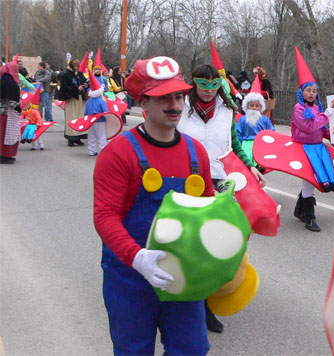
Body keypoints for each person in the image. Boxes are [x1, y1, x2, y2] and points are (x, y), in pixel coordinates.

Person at [94, 56, 213, 355]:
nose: (174, 105)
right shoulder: (118, 153)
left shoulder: (196, 152)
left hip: (183, 277)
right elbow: (105, 217)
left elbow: (209, 211)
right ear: (143, 104)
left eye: (178, 96)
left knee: (192, 349)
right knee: (133, 351)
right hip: (130, 276)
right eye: (163, 98)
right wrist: (138, 258)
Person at [176, 63, 266, 333]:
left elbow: (233, 144)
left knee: (217, 242)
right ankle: (185, 302)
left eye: (213, 85)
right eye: (202, 85)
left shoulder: (227, 110)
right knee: (188, 243)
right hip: (185, 180)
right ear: (194, 84)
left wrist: (250, 165)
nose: (208, 91)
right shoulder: (180, 107)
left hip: (217, 181)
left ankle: (207, 305)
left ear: (220, 85)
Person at [292, 47, 334, 233]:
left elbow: (320, 129)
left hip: (318, 146)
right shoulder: (298, 109)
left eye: (314, 91)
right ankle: (309, 217)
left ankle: (300, 210)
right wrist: (326, 116)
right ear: (302, 92)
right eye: (308, 90)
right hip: (304, 148)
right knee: (309, 181)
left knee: (312, 180)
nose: (311, 93)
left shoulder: (318, 109)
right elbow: (309, 127)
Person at [236, 75, 275, 169]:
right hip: (246, 143)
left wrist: (269, 142)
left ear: (260, 107)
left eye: (257, 106)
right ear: (247, 106)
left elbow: (271, 131)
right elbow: (238, 133)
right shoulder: (242, 119)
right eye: (251, 105)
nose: (254, 108)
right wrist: (239, 145)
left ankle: (260, 166)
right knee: (247, 159)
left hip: (260, 143)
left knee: (260, 158)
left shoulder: (265, 119)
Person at [59, 58, 88, 146]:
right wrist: (76, 89)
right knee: (71, 117)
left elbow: (84, 81)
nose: (76, 68)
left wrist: (86, 85)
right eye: (74, 66)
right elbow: (64, 88)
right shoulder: (66, 75)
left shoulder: (79, 74)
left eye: (77, 66)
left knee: (80, 117)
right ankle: (71, 138)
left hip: (80, 99)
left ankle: (78, 137)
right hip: (71, 99)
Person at [0, 61, 22, 164]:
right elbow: (8, 97)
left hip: (6, 111)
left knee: (7, 134)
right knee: (5, 134)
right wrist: (17, 107)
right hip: (6, 112)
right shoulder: (8, 81)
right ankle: (4, 155)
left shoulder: (6, 79)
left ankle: (7, 155)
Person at [84, 70, 109, 156]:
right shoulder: (101, 101)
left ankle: (91, 150)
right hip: (100, 120)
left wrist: (86, 118)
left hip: (91, 120)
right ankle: (103, 150)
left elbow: (85, 112)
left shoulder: (88, 101)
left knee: (91, 136)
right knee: (101, 136)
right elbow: (106, 111)